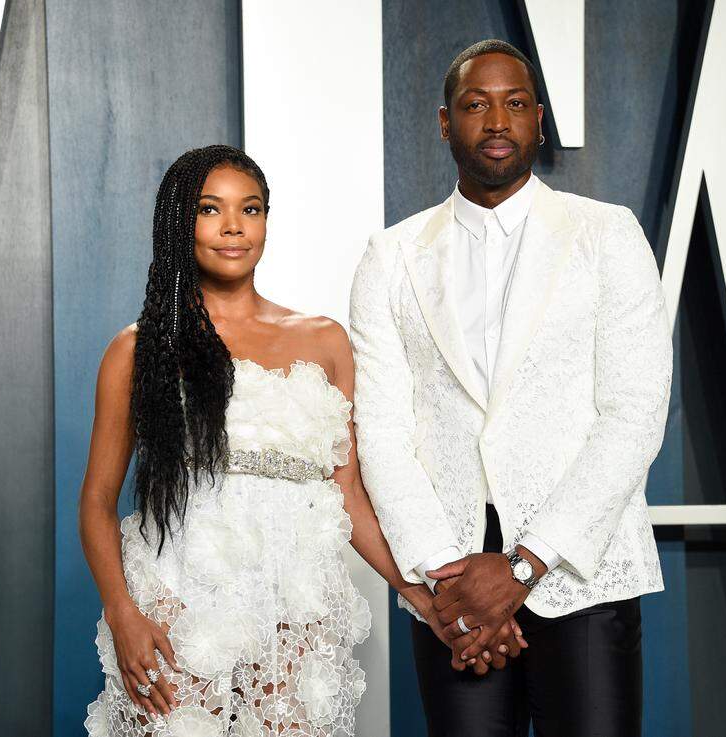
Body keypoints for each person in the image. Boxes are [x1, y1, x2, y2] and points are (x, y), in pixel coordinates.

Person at [77, 145, 523, 735]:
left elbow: (350, 496)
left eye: (251, 209)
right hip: (178, 609)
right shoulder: (137, 351)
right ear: (178, 222)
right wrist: (123, 613)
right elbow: (96, 503)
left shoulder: (323, 341)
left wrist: (423, 595)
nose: (234, 226)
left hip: (296, 612)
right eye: (211, 209)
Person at [349, 40, 673, 736]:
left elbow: (634, 416)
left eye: (516, 103)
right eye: (476, 104)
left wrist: (524, 566)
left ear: (539, 120)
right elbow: (382, 431)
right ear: (444, 123)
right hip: (452, 577)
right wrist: (447, 578)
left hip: (580, 565)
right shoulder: (392, 256)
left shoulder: (607, 235)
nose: (497, 119)